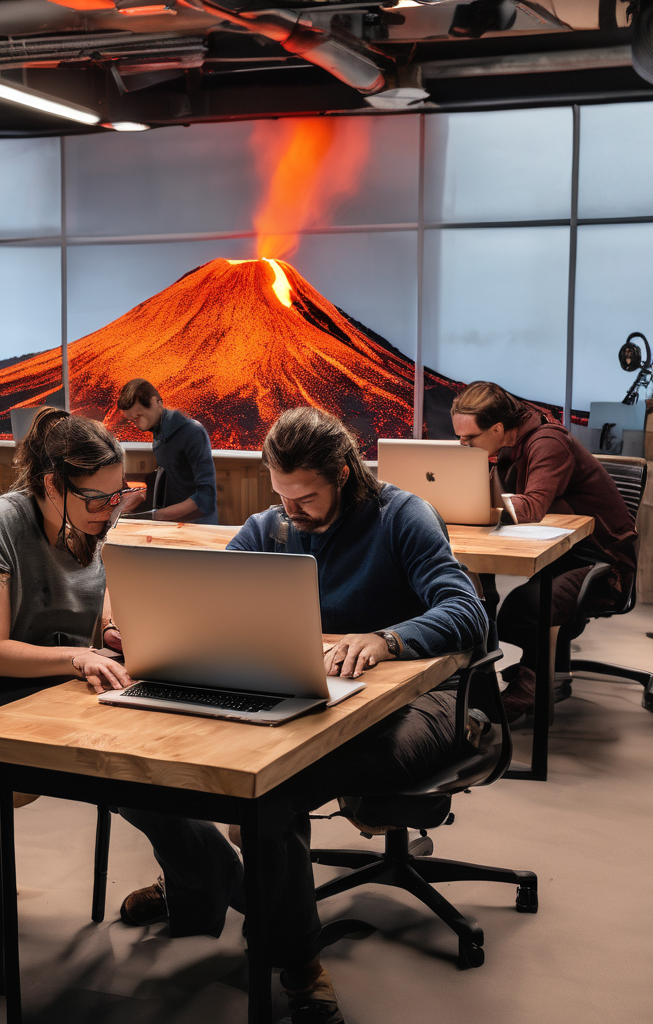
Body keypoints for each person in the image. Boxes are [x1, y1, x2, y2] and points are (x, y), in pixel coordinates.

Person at [114, 407, 488, 1024]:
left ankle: (297, 965)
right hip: (316, 697)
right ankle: (213, 888)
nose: (292, 512)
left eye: (307, 497)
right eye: (282, 495)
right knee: (234, 780)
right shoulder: (270, 527)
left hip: (423, 701)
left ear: (344, 474)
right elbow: (208, 599)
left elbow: (466, 611)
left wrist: (389, 639)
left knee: (273, 796)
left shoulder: (402, 516)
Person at [450, 381, 638, 720]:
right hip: (562, 552)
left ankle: (532, 685)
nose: (462, 445)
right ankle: (482, 685)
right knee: (483, 599)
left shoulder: (548, 443)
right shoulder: (508, 445)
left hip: (602, 562)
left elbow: (533, 507)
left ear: (497, 428)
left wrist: (476, 501)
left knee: (524, 609)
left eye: (469, 438)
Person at [0, 408, 141, 721]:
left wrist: (109, 626)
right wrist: (76, 657)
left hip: (65, 686)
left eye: (117, 495)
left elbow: (98, 581)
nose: (108, 509)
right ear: (52, 485)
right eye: (96, 498)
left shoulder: (87, 521)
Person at [116, 379, 218, 524]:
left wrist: (155, 516)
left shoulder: (193, 432)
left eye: (138, 416)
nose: (137, 424)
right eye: (132, 420)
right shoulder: (159, 435)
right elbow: (172, 480)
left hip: (197, 525)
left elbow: (205, 497)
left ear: (155, 401)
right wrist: (140, 496)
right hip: (172, 522)